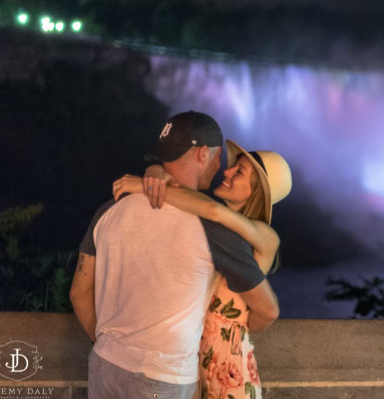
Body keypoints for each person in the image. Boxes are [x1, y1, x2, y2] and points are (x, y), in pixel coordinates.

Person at [70, 111, 281, 399]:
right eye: (221, 159)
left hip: (105, 366)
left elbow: (79, 292)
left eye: (238, 170)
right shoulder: (214, 230)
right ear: (202, 154)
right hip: (162, 377)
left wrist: (114, 348)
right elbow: (267, 310)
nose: (224, 169)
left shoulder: (110, 208)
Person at [112, 138, 292, 399]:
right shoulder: (210, 226)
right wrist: (156, 173)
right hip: (195, 369)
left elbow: (268, 313)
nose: (227, 171)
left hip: (232, 375)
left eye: (239, 171)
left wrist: (235, 328)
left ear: (256, 191)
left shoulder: (265, 235)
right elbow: (193, 202)